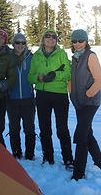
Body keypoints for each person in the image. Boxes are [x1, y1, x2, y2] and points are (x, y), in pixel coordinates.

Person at [27, 28, 73, 169]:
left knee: (62, 128)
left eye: (54, 37)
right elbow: (30, 77)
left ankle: (68, 159)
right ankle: (48, 157)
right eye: (48, 36)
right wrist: (39, 78)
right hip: (42, 95)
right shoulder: (36, 56)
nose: (51, 38)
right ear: (43, 39)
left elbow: (68, 73)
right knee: (44, 128)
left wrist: (54, 75)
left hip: (60, 95)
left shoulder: (61, 54)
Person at [69, 29, 101, 181]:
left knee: (80, 136)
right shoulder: (75, 58)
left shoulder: (90, 56)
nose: (77, 44)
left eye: (81, 41)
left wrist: (87, 94)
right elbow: (71, 80)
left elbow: (100, 81)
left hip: (90, 103)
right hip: (79, 103)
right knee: (88, 134)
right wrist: (72, 95)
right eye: (74, 41)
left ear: (86, 42)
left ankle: (78, 174)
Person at [7, 33, 36, 160]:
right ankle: (16, 153)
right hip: (11, 98)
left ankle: (30, 154)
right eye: (17, 42)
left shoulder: (31, 57)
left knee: (29, 128)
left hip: (28, 98)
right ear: (13, 44)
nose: (20, 45)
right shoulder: (7, 57)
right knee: (14, 128)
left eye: (23, 43)